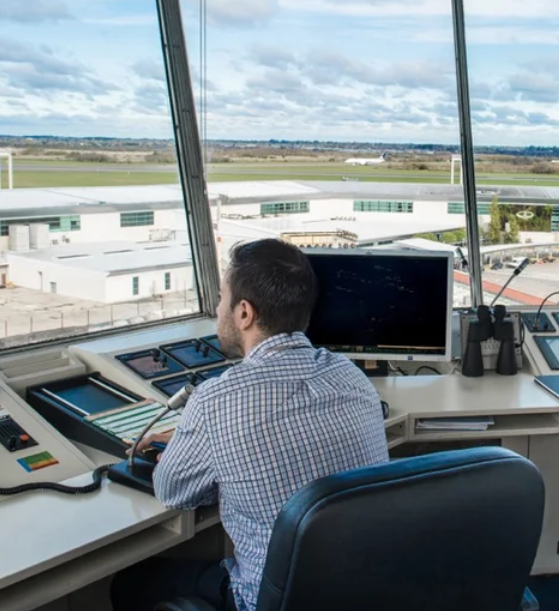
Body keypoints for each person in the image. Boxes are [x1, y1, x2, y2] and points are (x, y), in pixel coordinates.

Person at [110, 238, 390, 611]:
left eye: (222, 297)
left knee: (129, 583)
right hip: (360, 591)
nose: (216, 308)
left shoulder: (217, 400)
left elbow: (173, 491)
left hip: (265, 600)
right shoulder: (349, 376)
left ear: (244, 313)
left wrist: (196, 448)